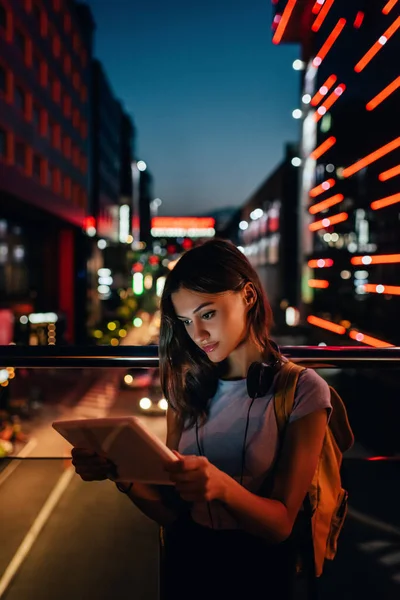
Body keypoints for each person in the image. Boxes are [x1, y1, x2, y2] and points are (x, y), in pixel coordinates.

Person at [72, 238, 331, 600]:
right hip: (185, 563)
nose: (198, 335)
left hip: (259, 573)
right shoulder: (187, 387)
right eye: (185, 322)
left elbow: (280, 524)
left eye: (207, 313)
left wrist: (222, 487)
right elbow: (171, 514)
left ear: (249, 296)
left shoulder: (302, 390)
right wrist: (121, 473)